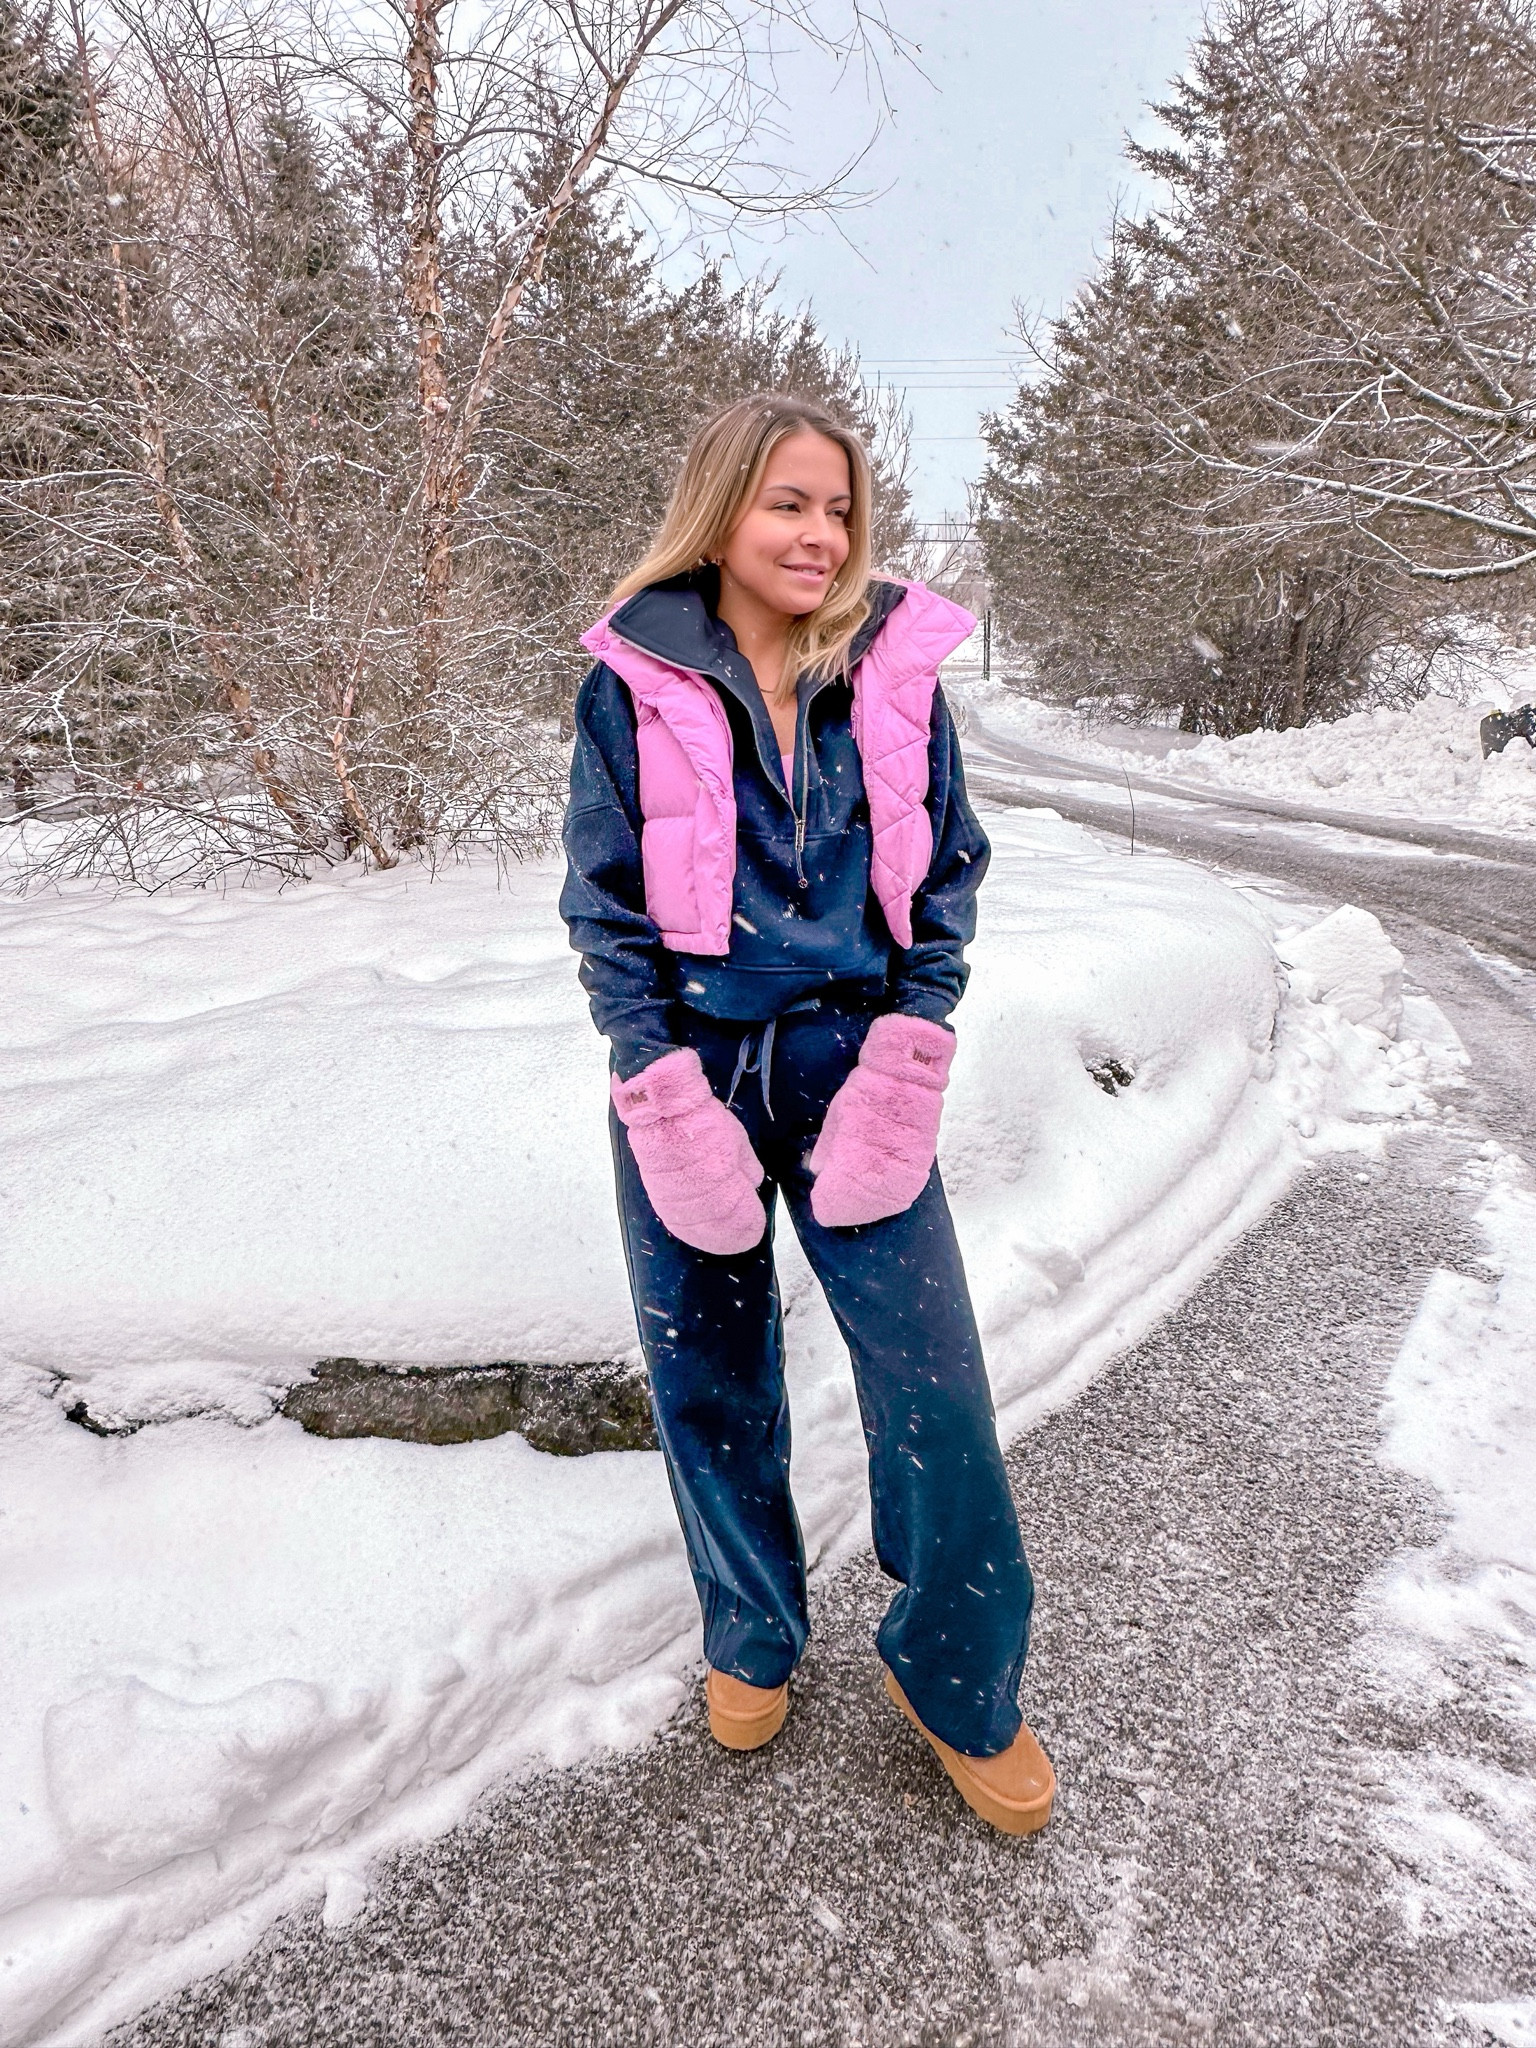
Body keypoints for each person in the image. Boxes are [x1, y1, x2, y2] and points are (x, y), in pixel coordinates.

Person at [559, 392, 1053, 1836]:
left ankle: (957, 1672)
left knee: (937, 1387)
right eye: (788, 503)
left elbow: (947, 875)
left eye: (839, 509)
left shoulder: (894, 669)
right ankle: (751, 1632)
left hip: (856, 1064)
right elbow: (606, 907)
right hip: (691, 1069)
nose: (820, 535)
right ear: (721, 512)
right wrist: (652, 1075)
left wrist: (913, 1040)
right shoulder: (635, 677)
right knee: (709, 1384)